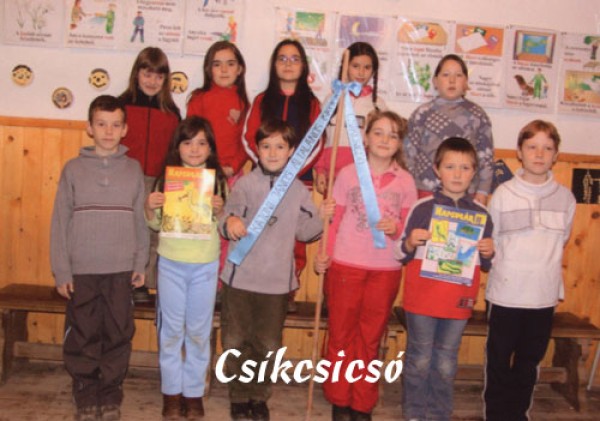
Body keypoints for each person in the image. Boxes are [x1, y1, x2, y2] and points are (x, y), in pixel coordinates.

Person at [219, 119, 332, 421]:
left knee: (268, 344)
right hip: (240, 280)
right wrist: (230, 222)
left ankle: (259, 396)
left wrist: (322, 218)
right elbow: (227, 216)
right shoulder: (245, 184)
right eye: (266, 146)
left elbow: (305, 232)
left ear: (291, 151)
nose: (272, 152)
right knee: (235, 340)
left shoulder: (297, 190)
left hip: (276, 284)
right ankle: (239, 396)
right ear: (256, 150)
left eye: (280, 146)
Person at [50, 95, 149, 421]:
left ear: (125, 129)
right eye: (102, 124)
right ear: (89, 128)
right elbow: (60, 221)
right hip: (83, 270)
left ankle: (110, 391)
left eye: (115, 125)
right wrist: (62, 270)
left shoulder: (133, 169)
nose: (109, 131)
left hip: (121, 270)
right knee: (84, 332)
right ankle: (85, 390)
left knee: (119, 332)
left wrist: (140, 262)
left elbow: (140, 220)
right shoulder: (73, 169)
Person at [314, 110, 417, 421]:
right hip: (346, 265)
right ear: (366, 138)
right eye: (378, 133)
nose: (385, 140)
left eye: (393, 135)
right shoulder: (347, 174)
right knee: (341, 335)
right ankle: (339, 399)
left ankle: (362, 403)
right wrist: (324, 254)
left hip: (385, 270)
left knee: (370, 338)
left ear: (399, 143)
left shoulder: (406, 181)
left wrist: (396, 229)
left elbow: (409, 229)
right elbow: (334, 221)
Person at [395, 137, 494, 421]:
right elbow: (400, 252)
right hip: (422, 299)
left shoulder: (482, 215)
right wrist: (410, 242)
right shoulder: (422, 208)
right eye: (450, 167)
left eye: (465, 167)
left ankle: (439, 413)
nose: (457, 174)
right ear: (437, 170)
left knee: (447, 361)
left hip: (458, 301)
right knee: (420, 358)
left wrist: (489, 251)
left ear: (474, 172)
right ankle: (415, 412)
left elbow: (486, 263)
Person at [483, 120, 576, 421]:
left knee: (528, 362)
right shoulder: (503, 194)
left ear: (556, 155)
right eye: (532, 147)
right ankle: (496, 415)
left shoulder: (565, 198)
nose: (539, 154)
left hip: (542, 297)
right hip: (506, 295)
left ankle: (518, 414)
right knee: (498, 360)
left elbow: (562, 239)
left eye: (547, 148)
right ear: (519, 152)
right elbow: (493, 240)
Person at [145, 117, 227, 420]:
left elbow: (223, 225)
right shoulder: (165, 180)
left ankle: (193, 394)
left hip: (204, 265)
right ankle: (171, 394)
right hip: (171, 264)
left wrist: (220, 210)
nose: (194, 149)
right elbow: (156, 224)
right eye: (188, 142)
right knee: (170, 332)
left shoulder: (218, 181)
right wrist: (150, 206)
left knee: (198, 332)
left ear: (211, 148)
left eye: (202, 143)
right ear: (177, 147)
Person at [242, 38, 323, 312]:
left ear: (303, 67)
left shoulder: (312, 103)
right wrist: (266, 166)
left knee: (292, 238)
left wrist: (292, 171)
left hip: (298, 182)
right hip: (263, 181)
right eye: (282, 59)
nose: (288, 64)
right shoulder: (261, 100)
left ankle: (288, 287)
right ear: (274, 65)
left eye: (295, 59)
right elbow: (248, 137)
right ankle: (256, 285)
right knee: (261, 232)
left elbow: (318, 141)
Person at [119, 46, 181, 302]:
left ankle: (147, 282)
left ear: (166, 79)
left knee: (154, 234)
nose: (152, 81)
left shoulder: (172, 113)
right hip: (126, 180)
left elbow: (176, 152)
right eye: (147, 74)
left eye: (159, 76)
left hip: (157, 181)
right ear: (137, 74)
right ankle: (125, 280)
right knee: (128, 233)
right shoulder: (122, 106)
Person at [404, 54, 494, 205]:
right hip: (425, 189)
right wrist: (407, 187)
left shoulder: (478, 115)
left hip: (466, 192)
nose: (452, 80)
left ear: (466, 82)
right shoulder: (422, 113)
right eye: (446, 75)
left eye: (458, 75)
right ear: (435, 81)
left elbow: (486, 156)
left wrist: (483, 190)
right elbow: (408, 154)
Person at [314, 41, 387, 195]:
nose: (361, 72)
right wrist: (320, 170)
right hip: (332, 175)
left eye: (367, 67)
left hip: (363, 178)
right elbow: (320, 138)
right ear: (346, 67)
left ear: (373, 71)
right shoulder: (331, 100)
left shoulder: (377, 105)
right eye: (355, 66)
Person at [187, 40, 250, 187]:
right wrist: (202, 164)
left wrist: (233, 167)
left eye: (230, 64)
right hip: (201, 170)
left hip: (231, 173)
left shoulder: (244, 104)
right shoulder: (198, 99)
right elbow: (190, 137)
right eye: (217, 64)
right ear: (209, 70)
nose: (224, 69)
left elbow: (247, 142)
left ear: (239, 69)